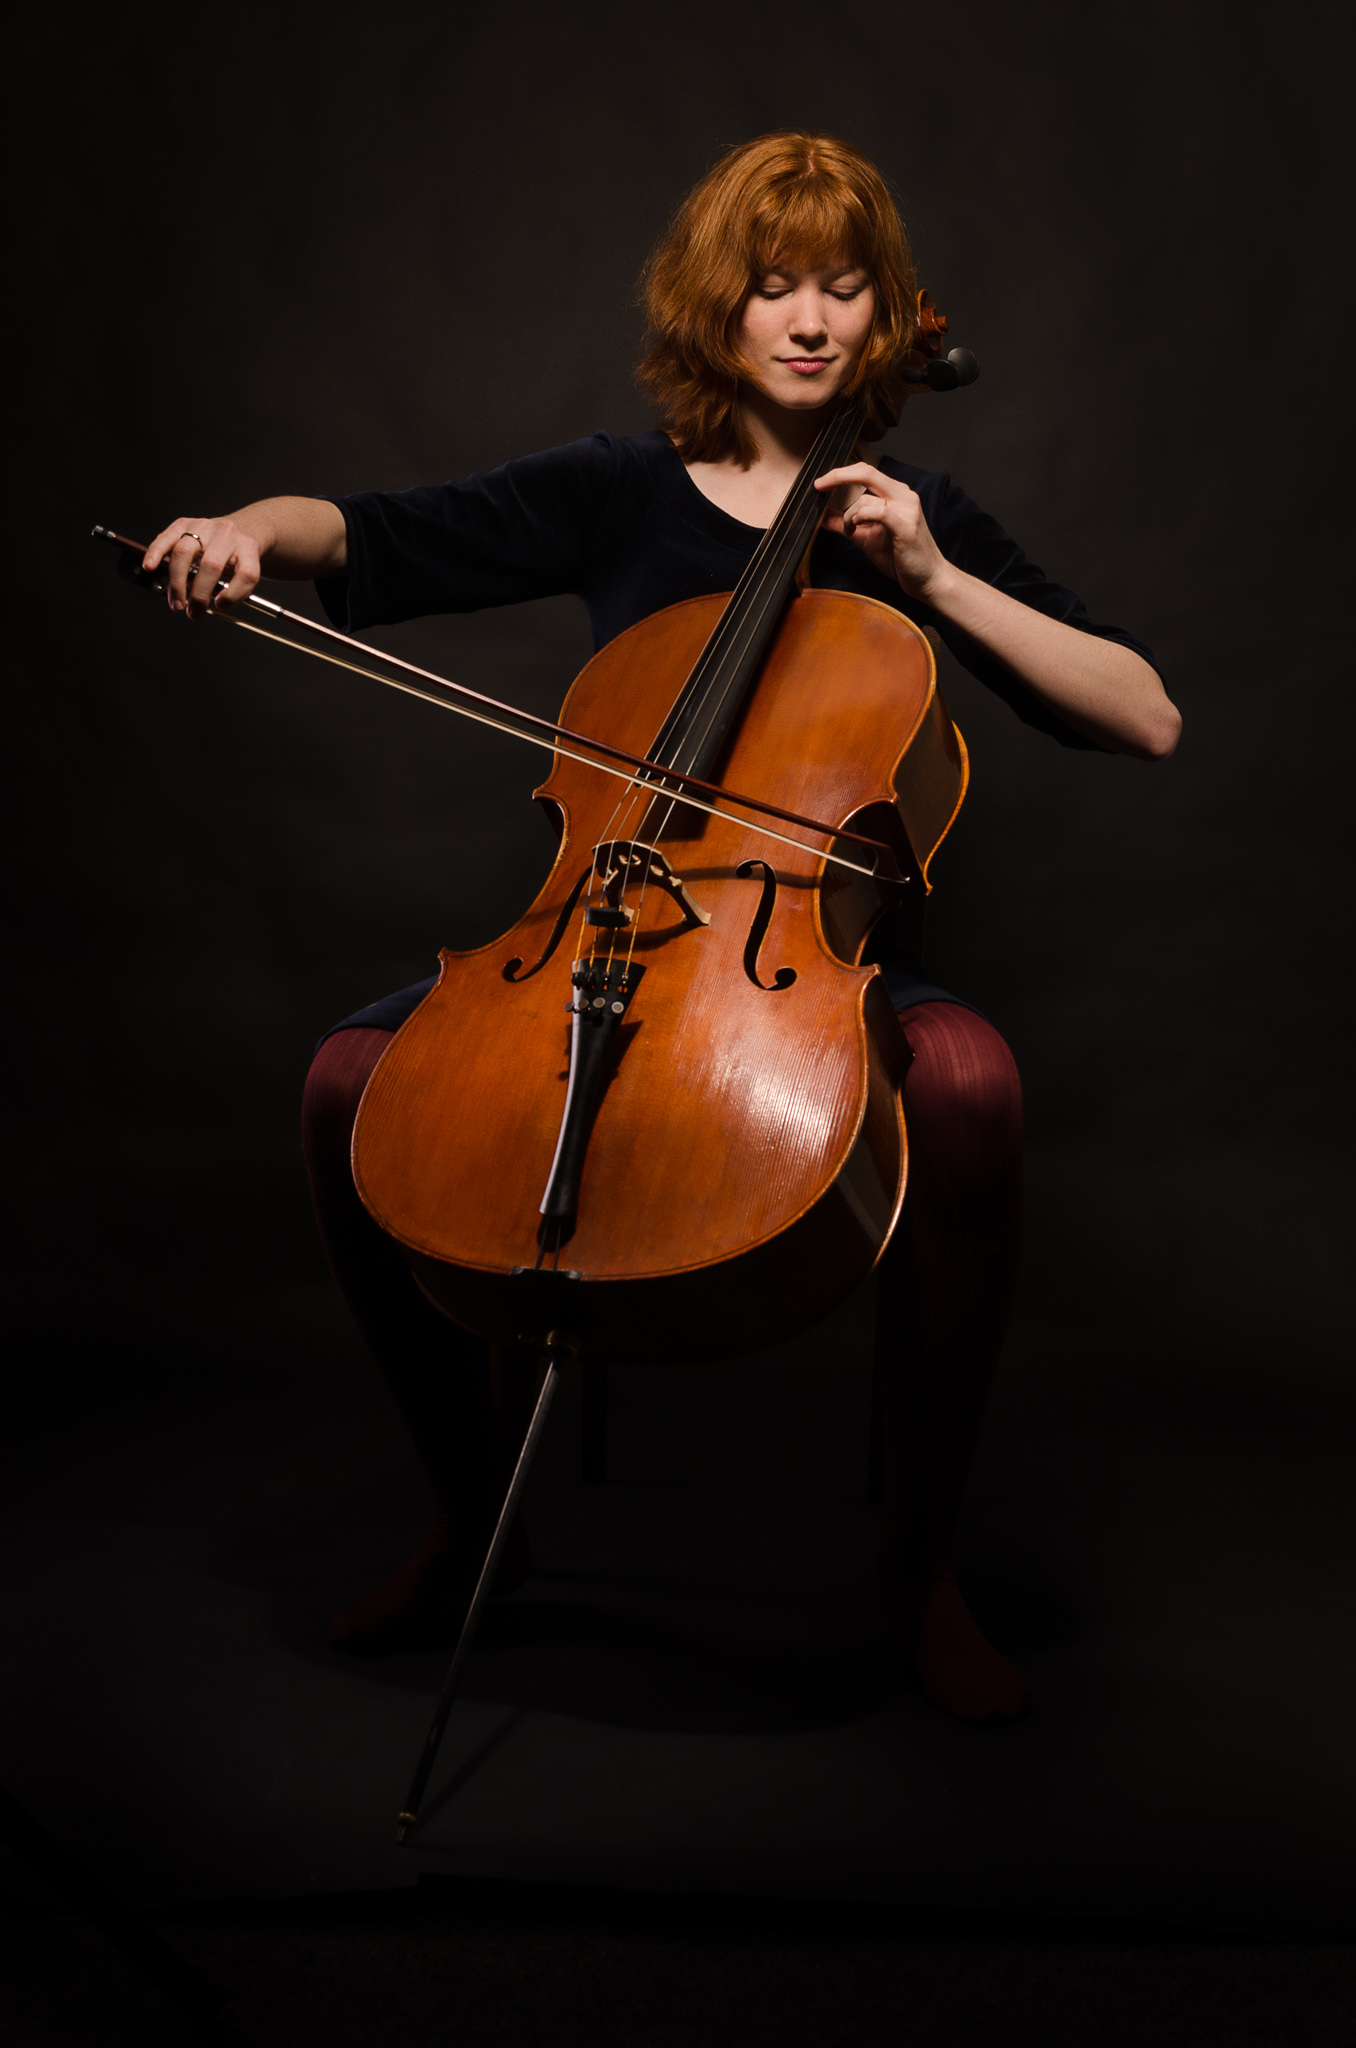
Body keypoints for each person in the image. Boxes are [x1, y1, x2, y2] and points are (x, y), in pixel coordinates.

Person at [143, 133, 1180, 1725]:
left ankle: (920, 1569)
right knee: (351, 1091)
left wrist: (935, 574)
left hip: (804, 969)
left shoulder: (912, 515)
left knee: (970, 1096)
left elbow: (1147, 717)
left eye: (846, 285)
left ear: (890, 311)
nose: (814, 320)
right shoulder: (613, 492)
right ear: (721, 308)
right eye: (776, 286)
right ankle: (466, 1513)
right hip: (600, 922)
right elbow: (363, 531)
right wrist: (244, 531)